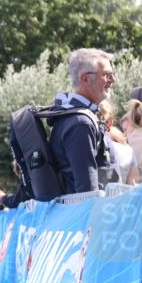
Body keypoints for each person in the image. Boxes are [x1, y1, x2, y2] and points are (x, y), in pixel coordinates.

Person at [48, 48, 115, 194]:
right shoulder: (80, 123)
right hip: (84, 208)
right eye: (106, 75)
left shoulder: (75, 117)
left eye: (112, 74)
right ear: (85, 79)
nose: (112, 80)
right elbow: (87, 191)